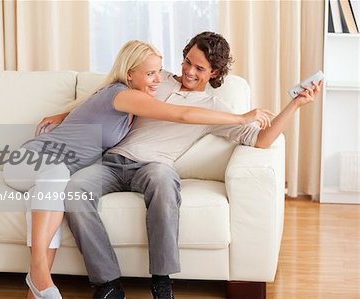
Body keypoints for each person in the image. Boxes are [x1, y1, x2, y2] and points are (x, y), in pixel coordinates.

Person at [37, 31, 322, 299]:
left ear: (215, 73)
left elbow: (260, 140)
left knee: (163, 181)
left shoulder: (214, 108)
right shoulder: (155, 78)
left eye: (199, 68)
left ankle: (162, 280)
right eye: (187, 62)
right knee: (74, 188)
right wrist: (64, 115)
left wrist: (294, 105)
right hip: (112, 160)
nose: (189, 71)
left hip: (154, 166)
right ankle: (108, 283)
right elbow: (107, 96)